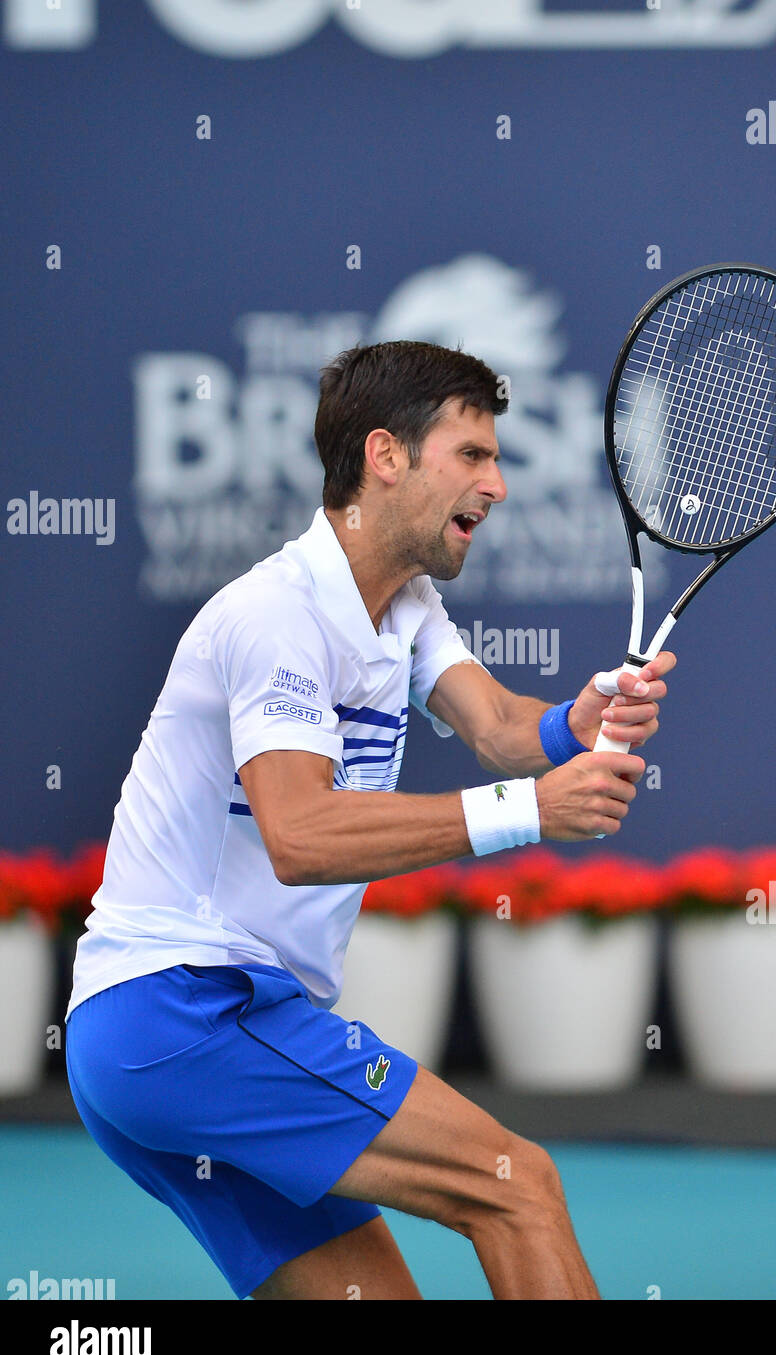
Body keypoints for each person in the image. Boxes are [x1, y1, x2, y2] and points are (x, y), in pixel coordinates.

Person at [65, 340, 676, 1301]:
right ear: (385, 456)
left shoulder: (406, 606)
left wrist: (577, 719)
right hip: (185, 1012)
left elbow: (503, 729)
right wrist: (529, 812)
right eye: (471, 455)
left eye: (497, 457)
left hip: (148, 1038)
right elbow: (301, 837)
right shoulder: (275, 614)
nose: (498, 485)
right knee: (518, 1188)